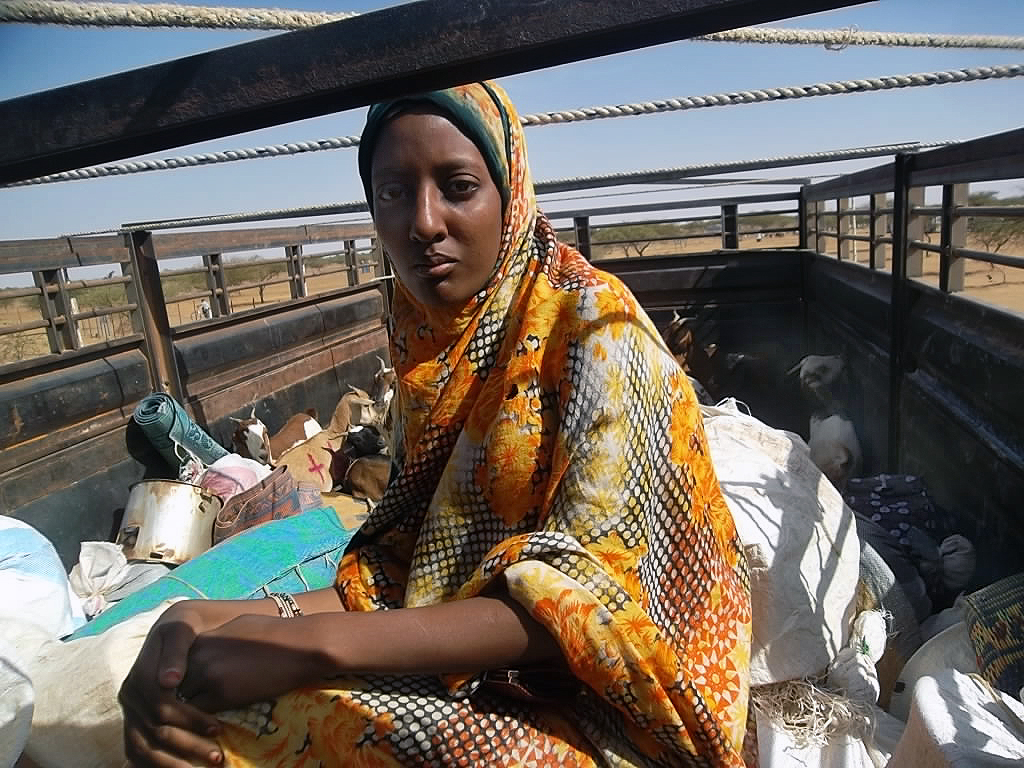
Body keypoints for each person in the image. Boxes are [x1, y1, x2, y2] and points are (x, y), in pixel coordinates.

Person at [119, 81, 752, 767]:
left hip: (627, 706)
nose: (422, 222)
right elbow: (410, 569)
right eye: (393, 193)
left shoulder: (597, 329)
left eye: (456, 185)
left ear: (510, 195)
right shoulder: (431, 340)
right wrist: (203, 618)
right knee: (200, 701)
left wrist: (310, 646)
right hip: (491, 671)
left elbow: (588, 606)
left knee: (273, 725)